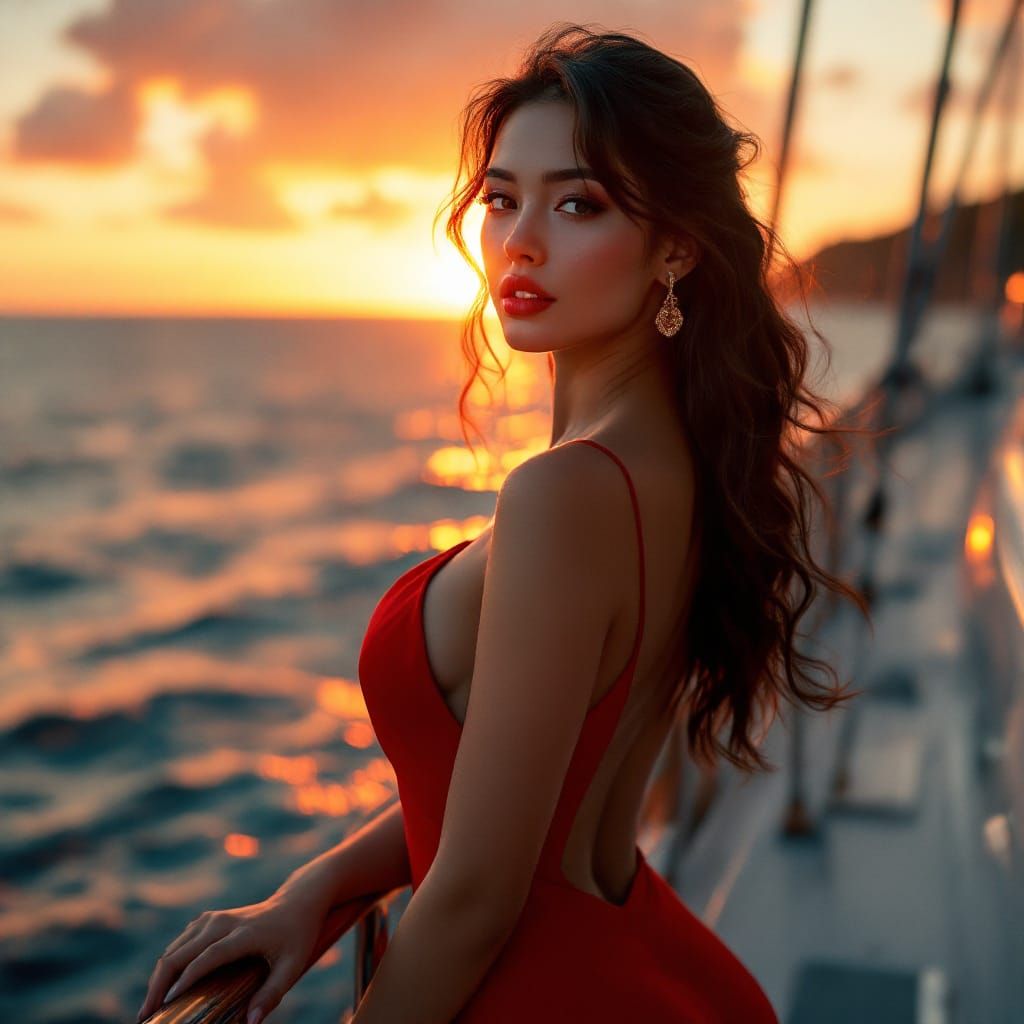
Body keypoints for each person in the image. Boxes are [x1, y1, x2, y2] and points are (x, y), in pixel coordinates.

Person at [137, 22, 872, 1024]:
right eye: (500, 198)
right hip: (637, 961)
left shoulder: (567, 494)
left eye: (578, 202)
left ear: (676, 246)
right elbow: (511, 780)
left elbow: (478, 896)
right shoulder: (689, 463)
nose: (519, 240)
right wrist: (319, 887)